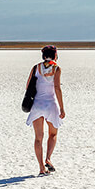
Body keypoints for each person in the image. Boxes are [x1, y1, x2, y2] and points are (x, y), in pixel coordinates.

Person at [25, 45, 65, 176]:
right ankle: (48, 158)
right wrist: (62, 108)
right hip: (51, 105)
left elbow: (28, 86)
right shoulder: (56, 69)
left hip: (37, 104)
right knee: (53, 134)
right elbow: (57, 88)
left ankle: (41, 167)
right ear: (55, 55)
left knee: (38, 138)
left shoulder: (36, 68)